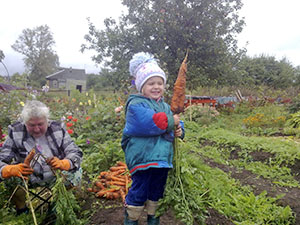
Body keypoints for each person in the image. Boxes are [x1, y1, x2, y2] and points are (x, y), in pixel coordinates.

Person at [121, 52, 184, 225]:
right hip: (143, 158)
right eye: (151, 83)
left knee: (157, 191)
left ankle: (153, 220)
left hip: (161, 158)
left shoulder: (164, 105)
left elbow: (172, 122)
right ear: (142, 86)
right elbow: (151, 123)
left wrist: (179, 130)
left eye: (160, 83)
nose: (156, 87)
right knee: (139, 190)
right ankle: (131, 220)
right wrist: (172, 122)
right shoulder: (135, 104)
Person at [0, 100, 83, 214]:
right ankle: (22, 211)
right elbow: (2, 158)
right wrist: (8, 169)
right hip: (28, 178)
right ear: (25, 123)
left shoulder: (57, 128)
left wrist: (65, 163)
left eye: (40, 124)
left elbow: (75, 152)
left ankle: (58, 208)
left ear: (47, 121)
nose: (36, 129)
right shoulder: (15, 131)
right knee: (9, 178)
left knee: (75, 172)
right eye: (31, 125)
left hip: (56, 176)